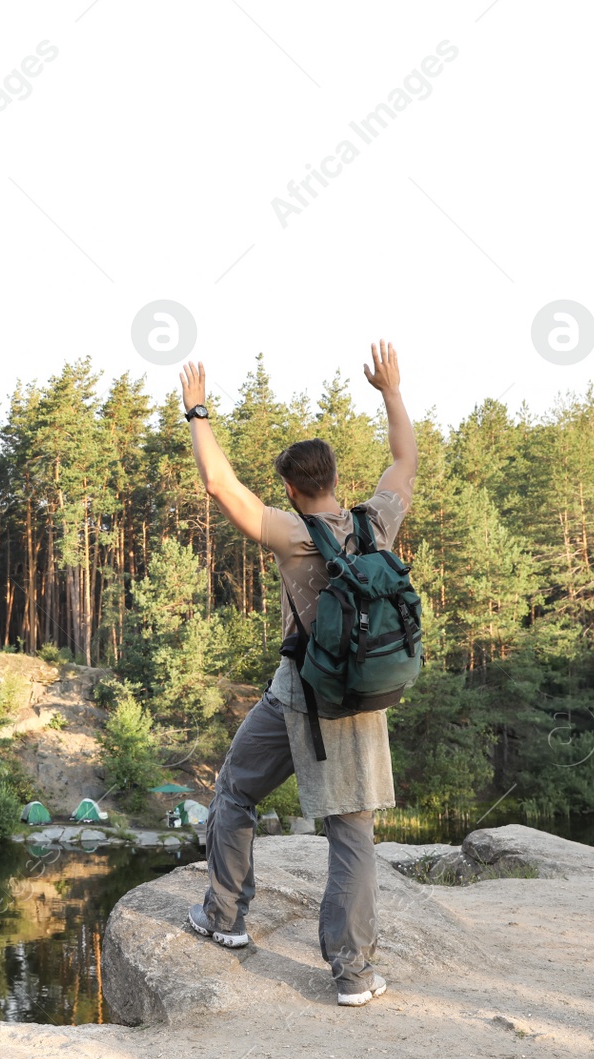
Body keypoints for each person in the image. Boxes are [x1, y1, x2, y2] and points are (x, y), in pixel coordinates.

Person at [177, 340, 417, 1008]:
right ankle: (353, 971)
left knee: (233, 791)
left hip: (301, 696)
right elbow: (405, 459)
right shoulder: (376, 523)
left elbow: (220, 486)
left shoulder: (293, 534)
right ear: (336, 478)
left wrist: (198, 412)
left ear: (290, 487)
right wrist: (391, 390)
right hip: (361, 700)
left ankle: (225, 917)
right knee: (352, 833)